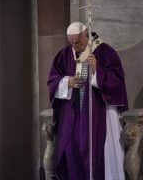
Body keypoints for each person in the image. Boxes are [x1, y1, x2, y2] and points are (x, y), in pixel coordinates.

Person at [47, 21, 128, 180]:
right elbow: (52, 80)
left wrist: (98, 69)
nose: (75, 46)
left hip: (100, 115)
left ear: (86, 35)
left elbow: (117, 81)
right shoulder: (64, 55)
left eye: (78, 42)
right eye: (71, 42)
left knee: (99, 154)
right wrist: (66, 82)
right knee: (71, 151)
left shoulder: (105, 52)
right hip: (73, 116)